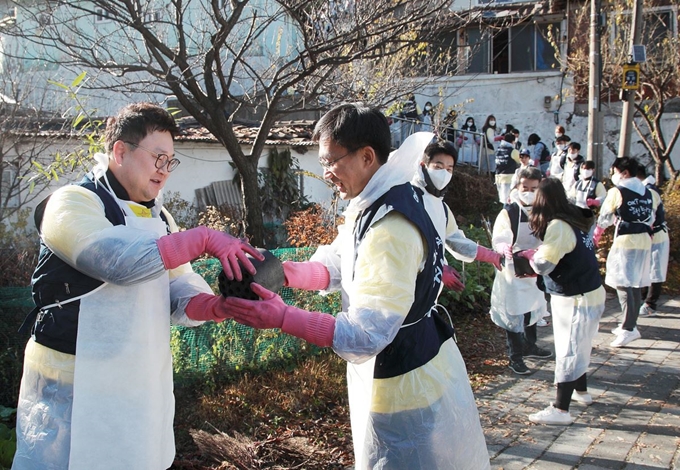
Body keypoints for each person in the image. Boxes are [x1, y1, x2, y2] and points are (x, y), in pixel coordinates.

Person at [224, 104, 491, 470]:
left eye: (331, 161)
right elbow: (341, 262)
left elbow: (366, 335)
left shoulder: (390, 228)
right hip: (417, 363)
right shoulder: (382, 198)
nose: (326, 173)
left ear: (367, 156)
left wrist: (282, 317)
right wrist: (284, 273)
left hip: (405, 382)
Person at [12, 103, 264, 469]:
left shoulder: (160, 217)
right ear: (120, 151)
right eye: (157, 157)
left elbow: (178, 290)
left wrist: (216, 307)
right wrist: (203, 238)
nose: (164, 171)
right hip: (70, 383)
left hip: (136, 380)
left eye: (170, 161)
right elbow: (116, 261)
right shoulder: (71, 202)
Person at [519, 178, 606, 425]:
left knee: (569, 349)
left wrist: (529, 258)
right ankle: (582, 392)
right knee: (581, 344)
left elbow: (545, 264)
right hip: (590, 291)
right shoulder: (574, 218)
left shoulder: (558, 225)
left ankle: (561, 409)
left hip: (576, 297)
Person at [411, 139, 503, 287]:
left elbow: (455, 241)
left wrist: (492, 256)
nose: (444, 173)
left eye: (449, 169)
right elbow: (405, 246)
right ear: (423, 165)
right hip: (404, 291)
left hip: (428, 295)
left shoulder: (441, 207)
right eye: (438, 166)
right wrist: (435, 268)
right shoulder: (409, 199)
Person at [490, 167, 551, 375]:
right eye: (525, 187)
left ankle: (530, 345)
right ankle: (515, 356)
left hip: (534, 267)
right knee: (515, 313)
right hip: (513, 268)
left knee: (533, 308)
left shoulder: (543, 210)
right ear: (517, 186)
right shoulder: (510, 211)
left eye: (534, 188)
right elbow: (500, 236)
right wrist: (503, 247)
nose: (530, 191)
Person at [593, 157, 656, 348]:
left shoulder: (617, 191)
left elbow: (604, 218)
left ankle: (629, 328)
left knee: (623, 283)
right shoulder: (647, 191)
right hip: (644, 240)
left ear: (624, 173)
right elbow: (651, 217)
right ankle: (629, 324)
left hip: (627, 241)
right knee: (634, 283)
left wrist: (595, 236)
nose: (613, 176)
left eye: (614, 172)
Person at [636, 165, 669, 318]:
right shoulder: (643, 189)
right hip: (646, 235)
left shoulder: (649, 191)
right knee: (645, 268)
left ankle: (650, 304)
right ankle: (643, 299)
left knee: (655, 269)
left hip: (655, 235)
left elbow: (650, 216)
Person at [568, 160, 606, 235]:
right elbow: (571, 196)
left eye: (588, 169)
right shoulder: (578, 183)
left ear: (593, 170)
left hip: (590, 216)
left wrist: (594, 201)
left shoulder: (597, 184)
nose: (585, 171)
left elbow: (603, 197)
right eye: (583, 169)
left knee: (589, 235)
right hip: (577, 214)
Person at [494, 133, 521, 204]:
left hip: (498, 177)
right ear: (513, 141)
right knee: (508, 200)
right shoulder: (513, 151)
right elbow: (521, 161)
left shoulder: (498, 149)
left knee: (502, 199)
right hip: (509, 178)